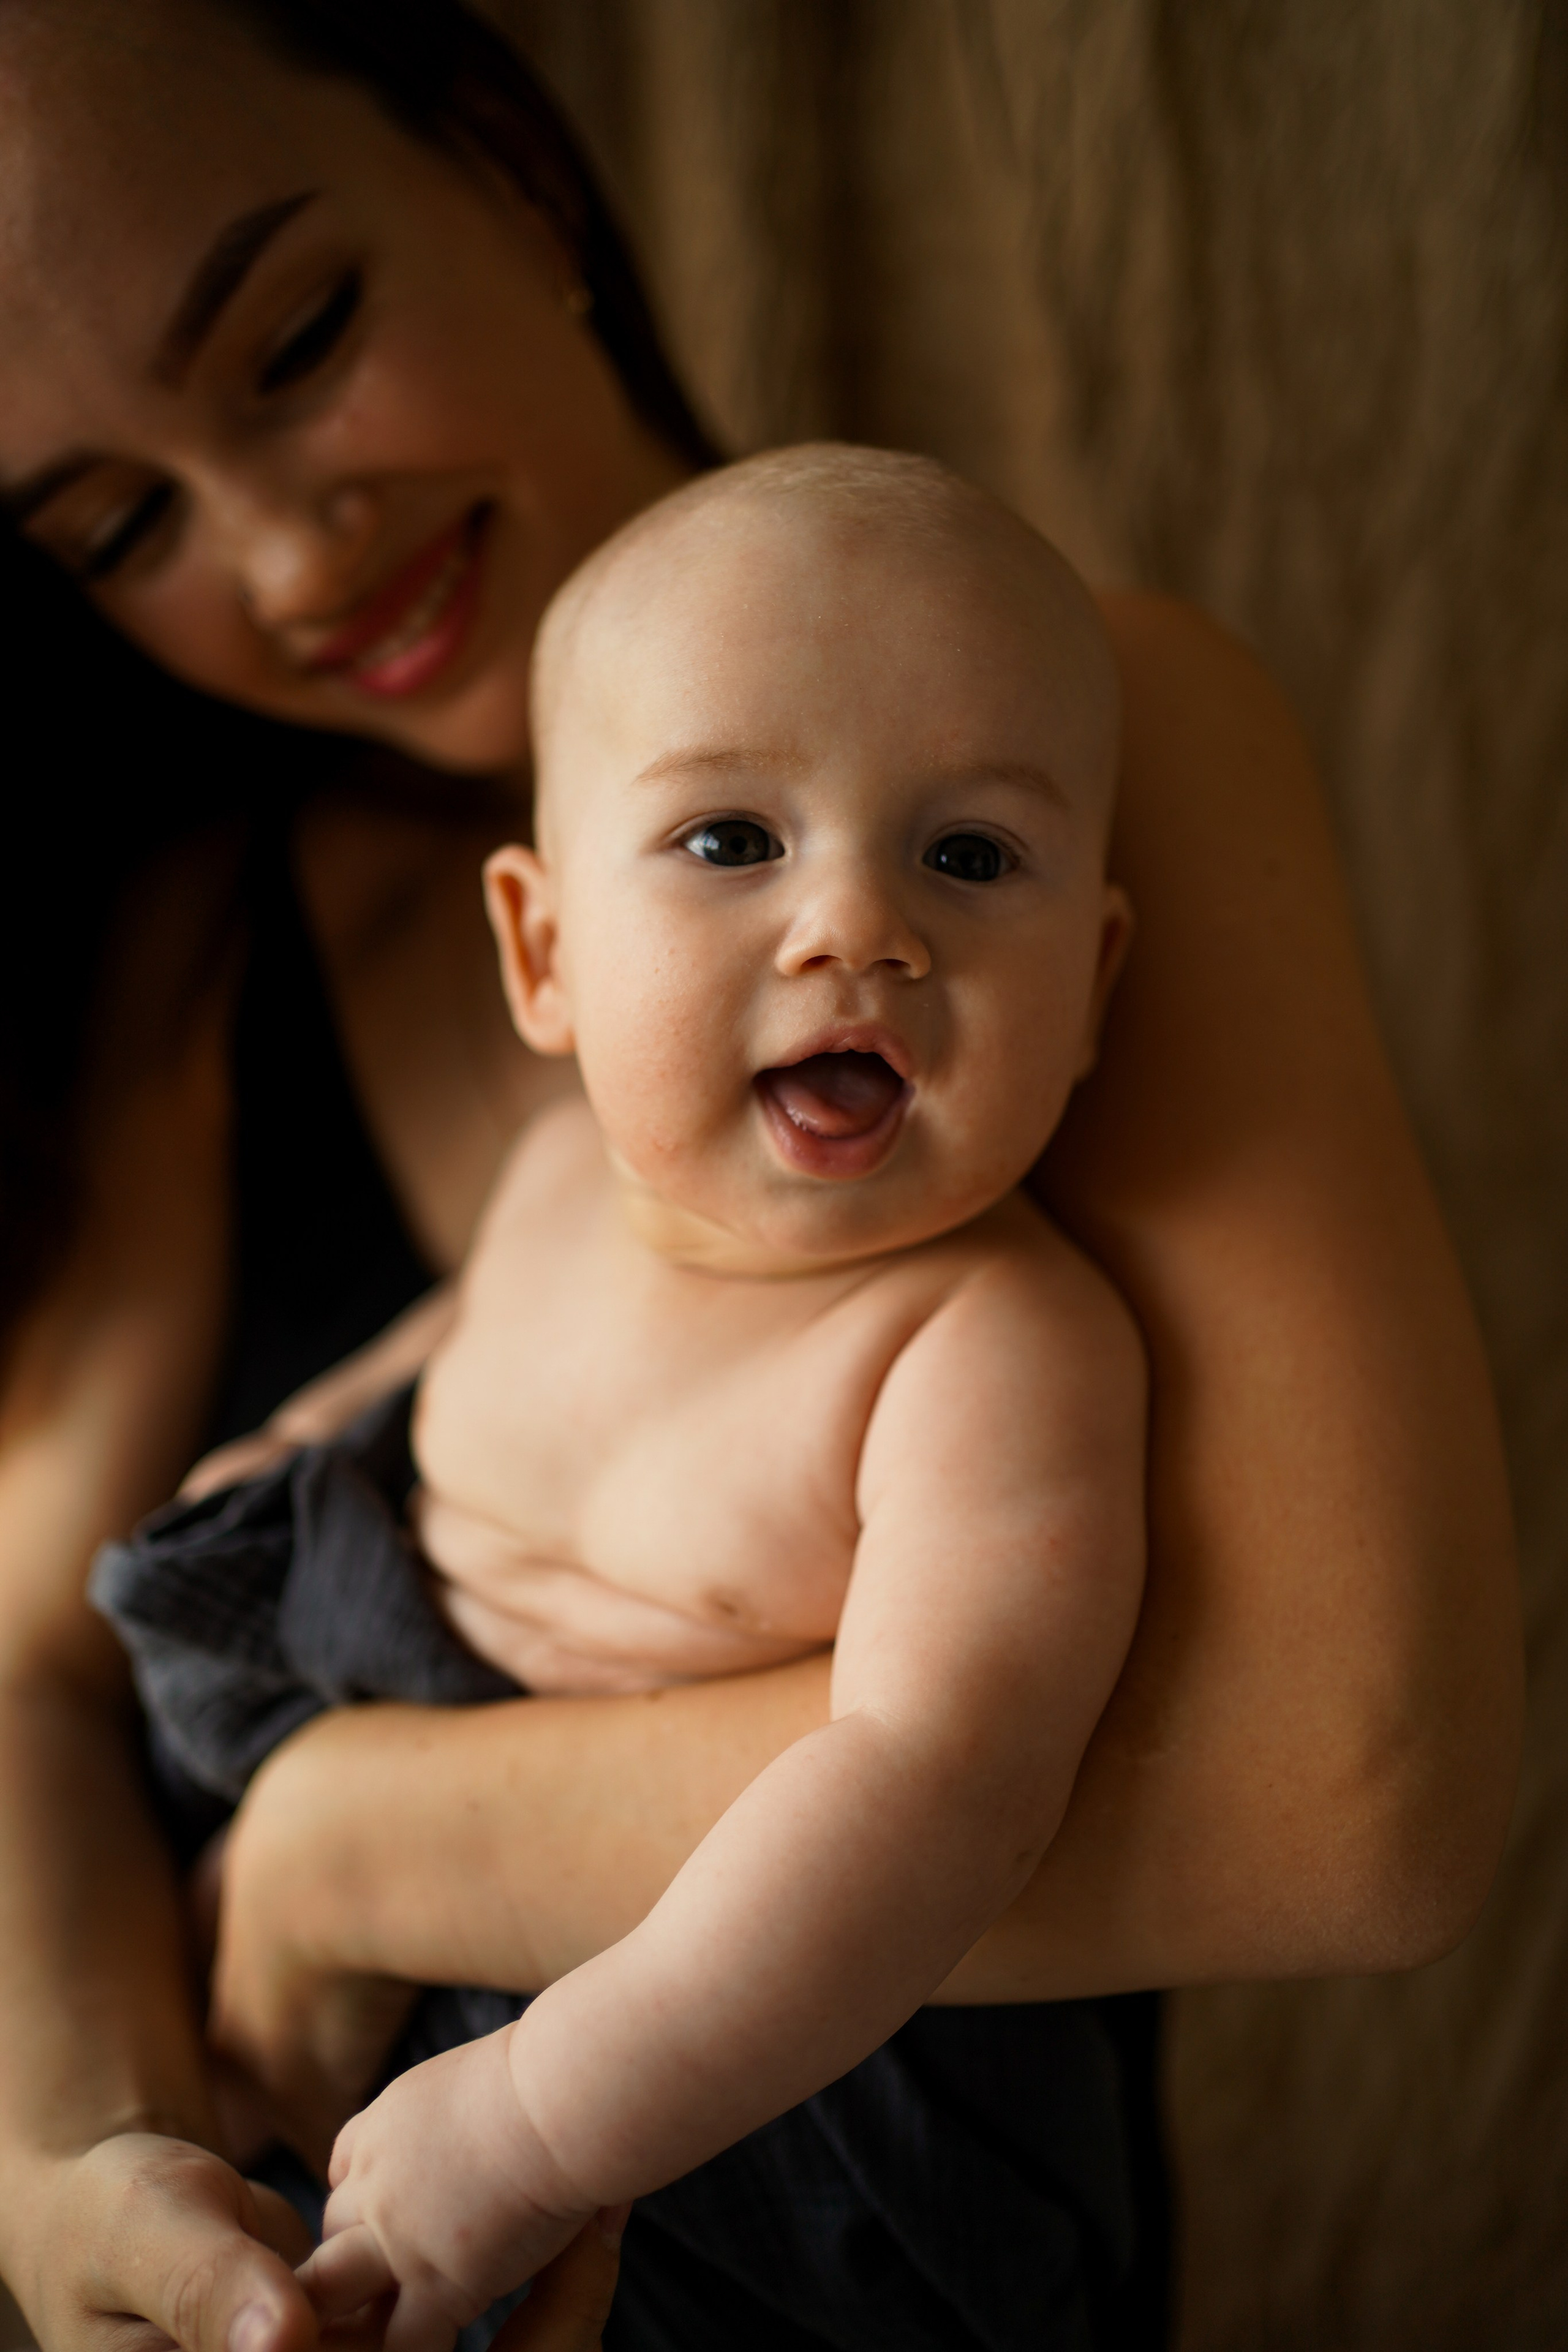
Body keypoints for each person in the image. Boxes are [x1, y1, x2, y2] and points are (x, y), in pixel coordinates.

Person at [0, 4, 1518, 2351]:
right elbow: (31, 1669)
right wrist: (66, 2173)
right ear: (546, 948)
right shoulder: (202, 946)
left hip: (776, 2176)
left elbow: (1354, 1797)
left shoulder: (1081, 732)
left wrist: (345, 1845)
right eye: (118, 525)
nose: (293, 554)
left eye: (301, 335)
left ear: (508, 166)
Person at [102, 445, 1147, 2346]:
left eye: (970, 856)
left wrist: (543, 2115)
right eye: (735, 841)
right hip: (370, 1820)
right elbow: (457, 1338)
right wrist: (291, 1445)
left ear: (1091, 989)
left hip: (746, 2062)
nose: (861, 929)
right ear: (547, 950)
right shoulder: (568, 1173)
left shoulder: (988, 1347)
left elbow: (943, 1785)